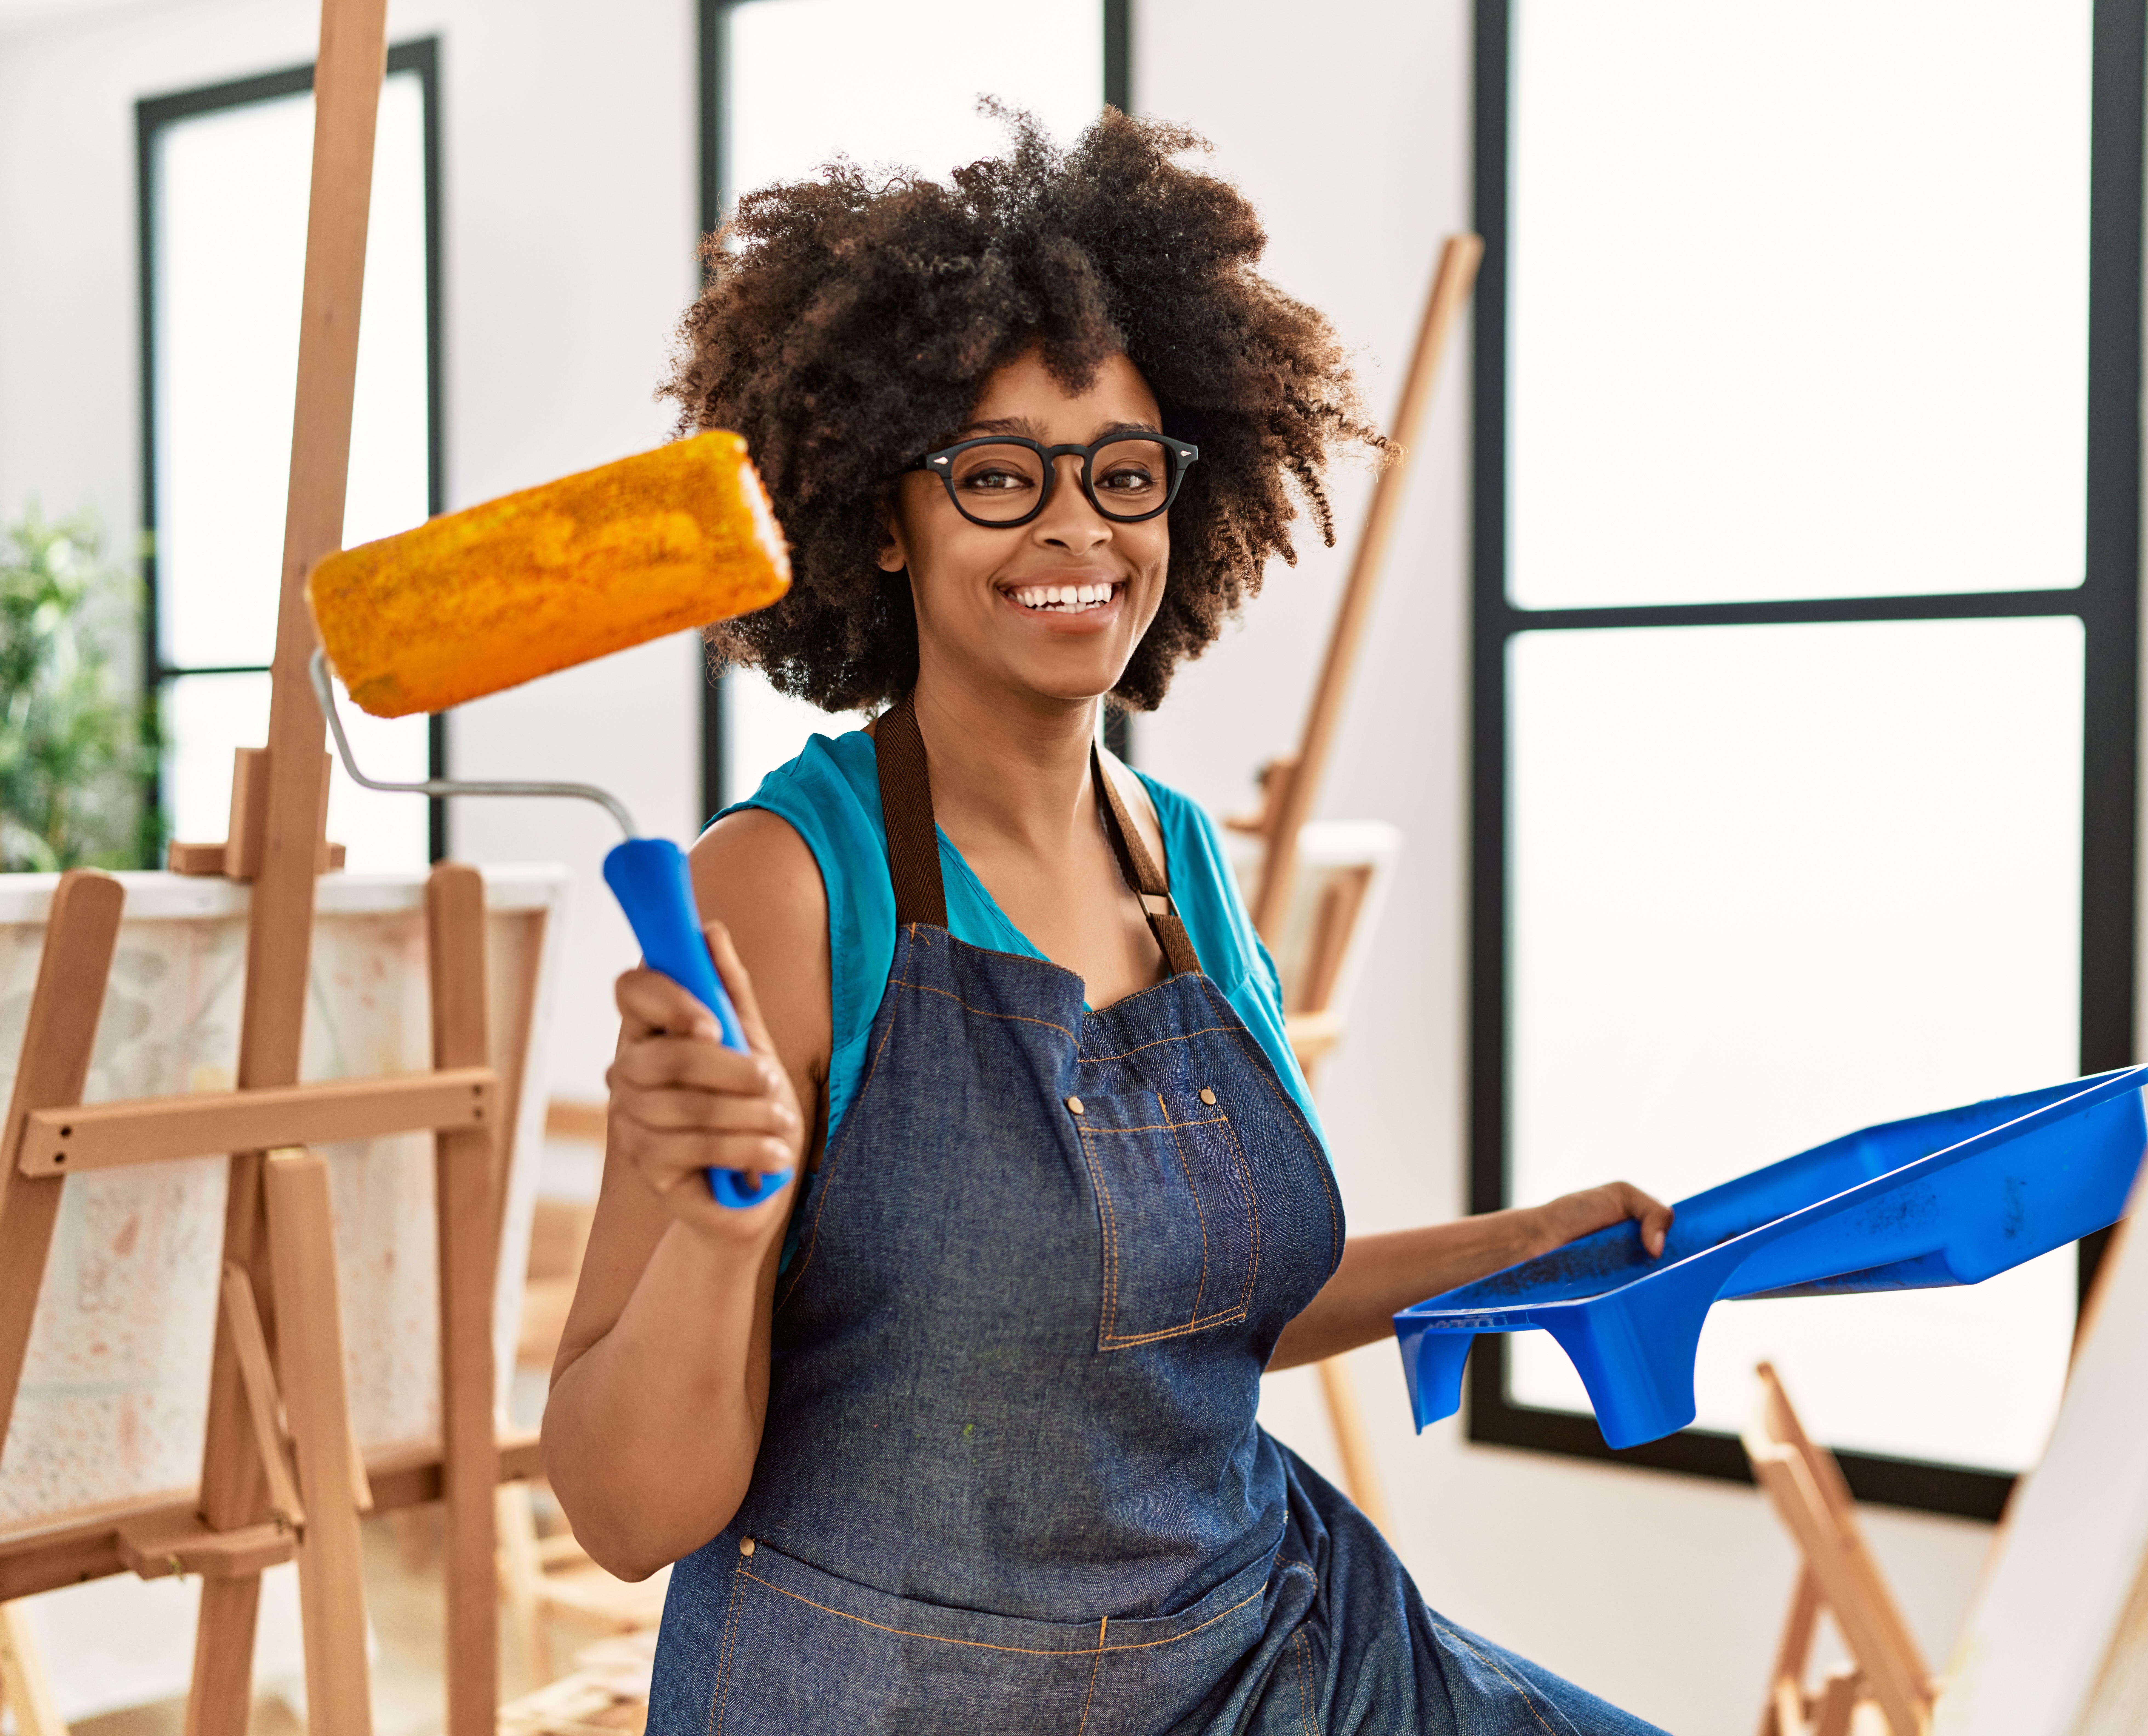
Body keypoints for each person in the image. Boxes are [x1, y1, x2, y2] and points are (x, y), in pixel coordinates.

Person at [542, 110, 1674, 1734]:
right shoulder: (784, 886)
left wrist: (1511, 1250)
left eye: (1124, 473)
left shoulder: (1191, 871)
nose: (1078, 529)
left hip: (1276, 1656)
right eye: (1000, 475)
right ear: (883, 514)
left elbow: (1175, 1300)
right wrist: (723, 1240)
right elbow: (625, 1516)